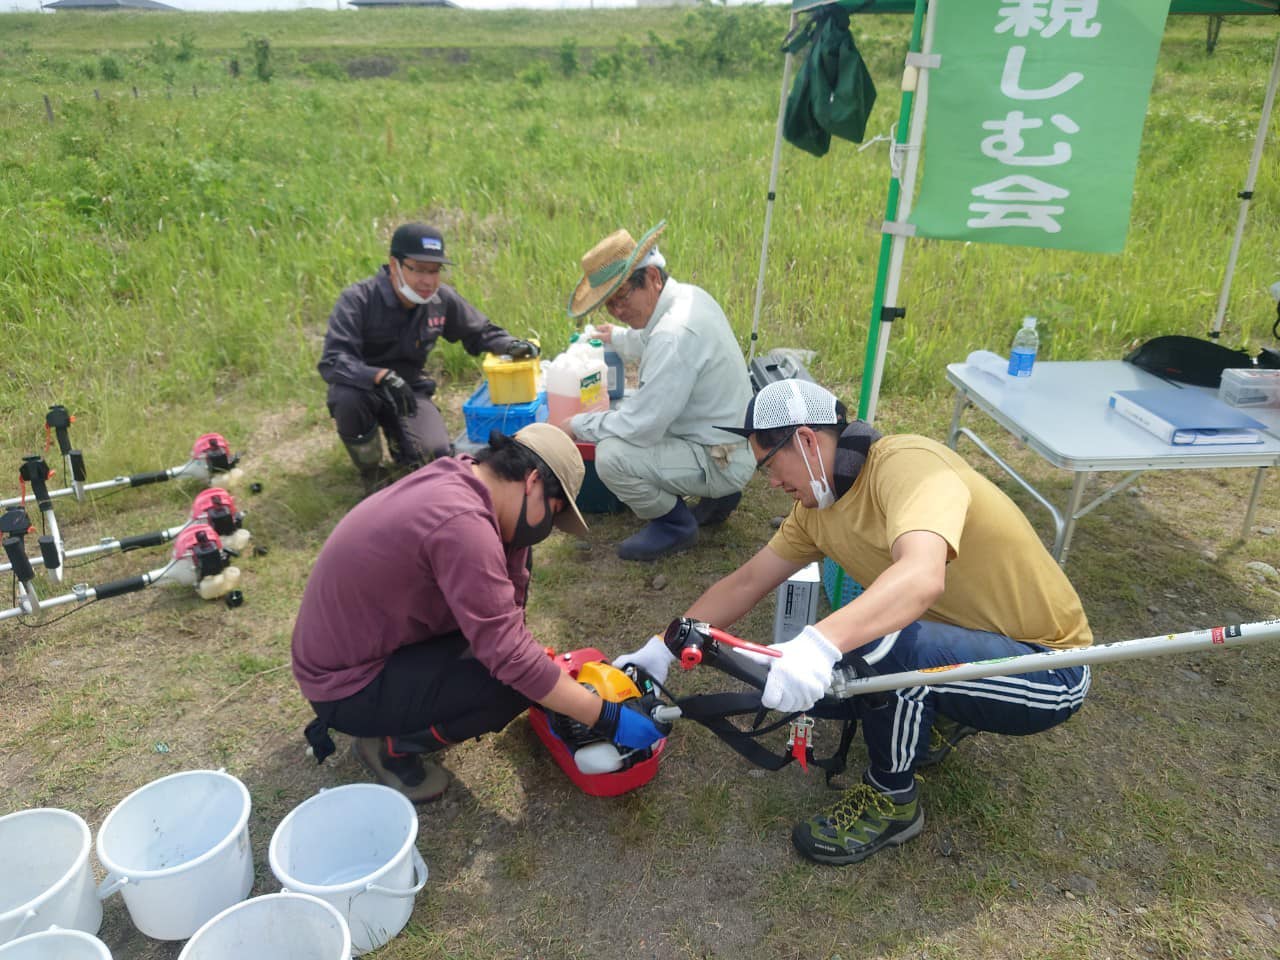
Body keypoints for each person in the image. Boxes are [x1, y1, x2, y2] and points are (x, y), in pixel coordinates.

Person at [616, 378, 1092, 865]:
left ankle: (893, 800)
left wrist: (817, 643)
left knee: (881, 646)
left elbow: (921, 576)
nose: (772, 484)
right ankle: (943, 710)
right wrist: (661, 649)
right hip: (974, 644)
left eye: (768, 466)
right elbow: (747, 581)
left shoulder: (909, 466)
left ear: (803, 439)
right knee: (853, 669)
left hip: (1049, 668)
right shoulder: (816, 509)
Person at [290, 423, 665, 803]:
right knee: (508, 687)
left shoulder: (467, 480)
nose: (548, 529)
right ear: (533, 480)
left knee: (516, 666)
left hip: (373, 646)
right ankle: (390, 745)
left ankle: (413, 706)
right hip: (346, 685)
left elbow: (509, 618)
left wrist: (531, 663)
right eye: (552, 515)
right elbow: (511, 658)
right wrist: (604, 716)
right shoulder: (461, 526)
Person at [561, 220, 754, 561]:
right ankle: (720, 495)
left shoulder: (673, 334)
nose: (618, 311)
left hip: (720, 457)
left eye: (621, 297)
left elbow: (641, 426)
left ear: (652, 278)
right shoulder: (687, 297)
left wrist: (575, 425)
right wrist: (617, 337)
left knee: (611, 456)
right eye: (609, 304)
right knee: (632, 411)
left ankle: (673, 524)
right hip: (733, 441)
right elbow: (652, 338)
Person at [319, 222, 539, 491]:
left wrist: (510, 345)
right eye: (419, 269)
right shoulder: (358, 300)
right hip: (363, 388)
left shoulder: (440, 300)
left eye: (435, 271)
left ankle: (401, 443)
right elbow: (333, 360)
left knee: (435, 455)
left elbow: (479, 330)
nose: (428, 280)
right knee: (347, 398)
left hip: (409, 390)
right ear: (394, 264)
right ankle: (370, 470)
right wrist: (379, 377)